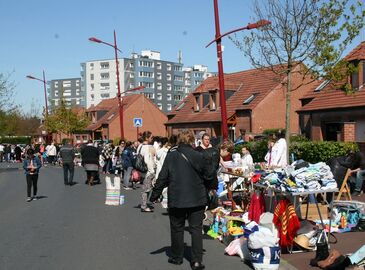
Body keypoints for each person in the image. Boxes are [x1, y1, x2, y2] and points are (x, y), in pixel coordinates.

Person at [150, 129, 210, 270]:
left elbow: (163, 177)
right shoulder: (199, 155)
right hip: (197, 198)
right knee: (196, 229)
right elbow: (209, 175)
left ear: (179, 140)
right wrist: (206, 189)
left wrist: (154, 195)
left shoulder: (172, 156)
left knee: (177, 228)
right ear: (192, 140)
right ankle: (196, 261)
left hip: (177, 198)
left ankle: (177, 257)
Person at [138, 131, 156, 213]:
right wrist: (152, 171)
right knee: (146, 190)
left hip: (141, 170)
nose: (152, 139)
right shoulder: (148, 147)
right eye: (151, 137)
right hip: (148, 171)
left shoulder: (140, 146)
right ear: (146, 138)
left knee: (146, 189)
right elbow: (148, 161)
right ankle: (144, 206)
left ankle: (144, 204)